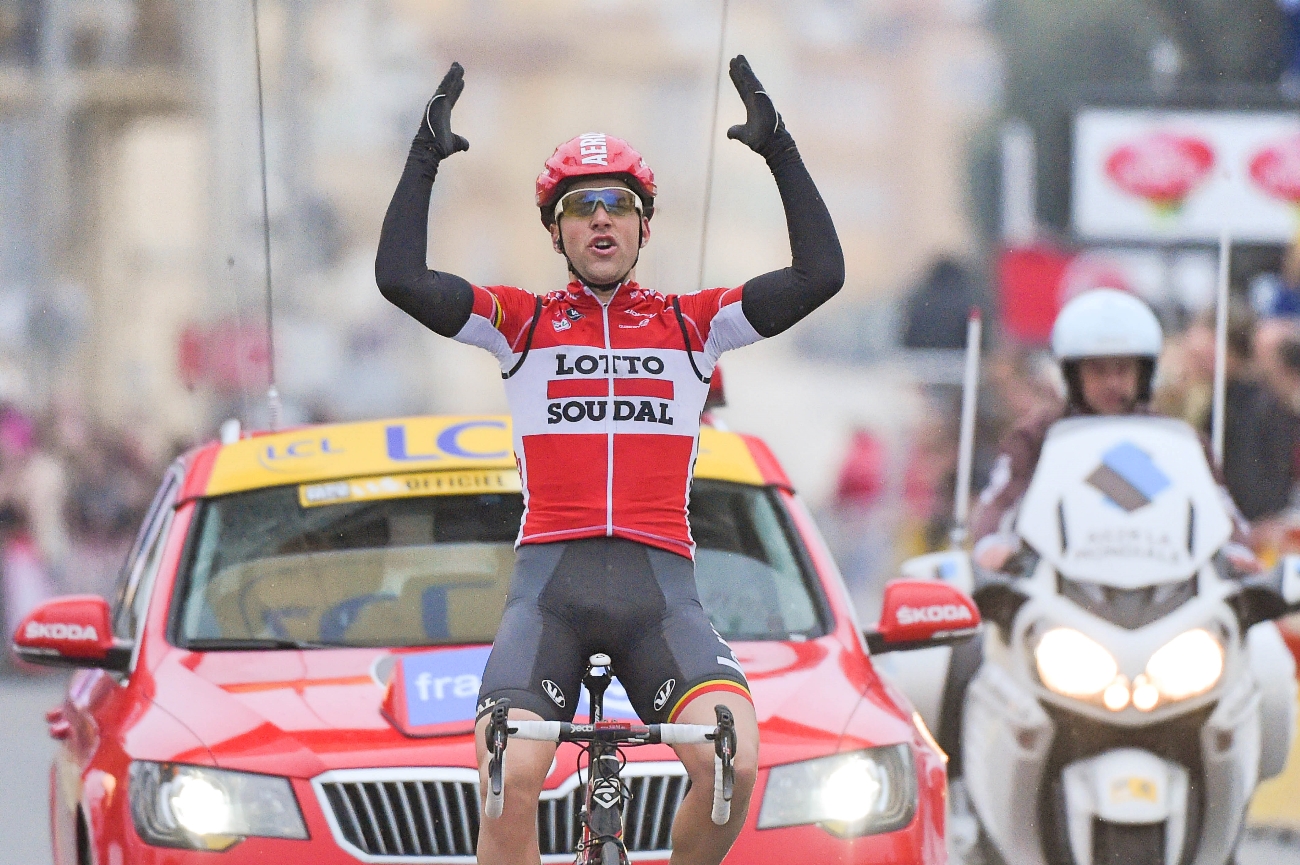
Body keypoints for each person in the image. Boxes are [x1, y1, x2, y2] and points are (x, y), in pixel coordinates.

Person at [375, 58, 843, 865]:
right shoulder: (519, 324)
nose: (600, 219)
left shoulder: (695, 326)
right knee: (507, 772)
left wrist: (782, 152)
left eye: (618, 205)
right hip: (548, 595)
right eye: (579, 207)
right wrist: (422, 158)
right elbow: (401, 278)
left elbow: (819, 275)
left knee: (735, 759)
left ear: (643, 227)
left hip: (661, 595)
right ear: (554, 230)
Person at [970, 288, 1249, 571]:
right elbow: (998, 504)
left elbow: (1221, 511)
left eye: (1123, 369)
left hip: (1162, 580)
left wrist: (1237, 550)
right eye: (1098, 370)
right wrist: (992, 544)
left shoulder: (1180, 440)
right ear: (1071, 374)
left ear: (1144, 373)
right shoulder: (1035, 436)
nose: (1113, 382)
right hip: (1061, 581)